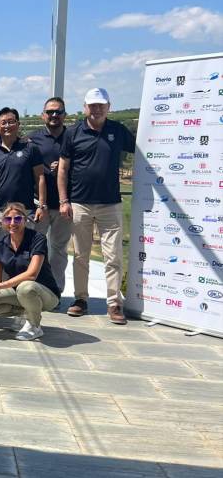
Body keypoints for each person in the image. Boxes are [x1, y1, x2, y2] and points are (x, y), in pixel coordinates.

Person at [58, 88, 135, 324]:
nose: (97, 109)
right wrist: (63, 200)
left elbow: (142, 151)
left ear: (109, 107)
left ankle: (114, 303)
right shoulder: (72, 133)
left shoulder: (118, 130)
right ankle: (81, 300)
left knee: (113, 257)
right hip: (80, 203)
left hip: (110, 204)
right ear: (85, 107)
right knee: (80, 256)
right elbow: (63, 169)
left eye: (101, 105)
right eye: (92, 105)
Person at [0, 202, 61, 340]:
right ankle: (24, 313)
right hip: (18, 291)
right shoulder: (0, 242)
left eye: (17, 219)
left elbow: (32, 274)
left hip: (46, 294)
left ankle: (34, 326)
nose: (12, 223)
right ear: (3, 222)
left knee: (26, 287)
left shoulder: (37, 238)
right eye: (8, 219)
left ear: (25, 220)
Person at [0, 107, 47, 237]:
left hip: (25, 210)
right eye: (3, 123)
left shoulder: (31, 149)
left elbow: (40, 177)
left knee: (25, 250)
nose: (7, 126)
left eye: (11, 121)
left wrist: (42, 206)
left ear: (18, 124)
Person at [28, 97, 72, 294]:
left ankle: (55, 291)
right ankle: (32, 287)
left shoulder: (72, 137)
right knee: (34, 248)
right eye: (50, 111)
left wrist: (65, 169)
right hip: (40, 204)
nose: (54, 115)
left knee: (59, 250)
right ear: (43, 115)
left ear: (65, 115)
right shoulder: (32, 138)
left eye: (58, 111)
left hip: (65, 204)